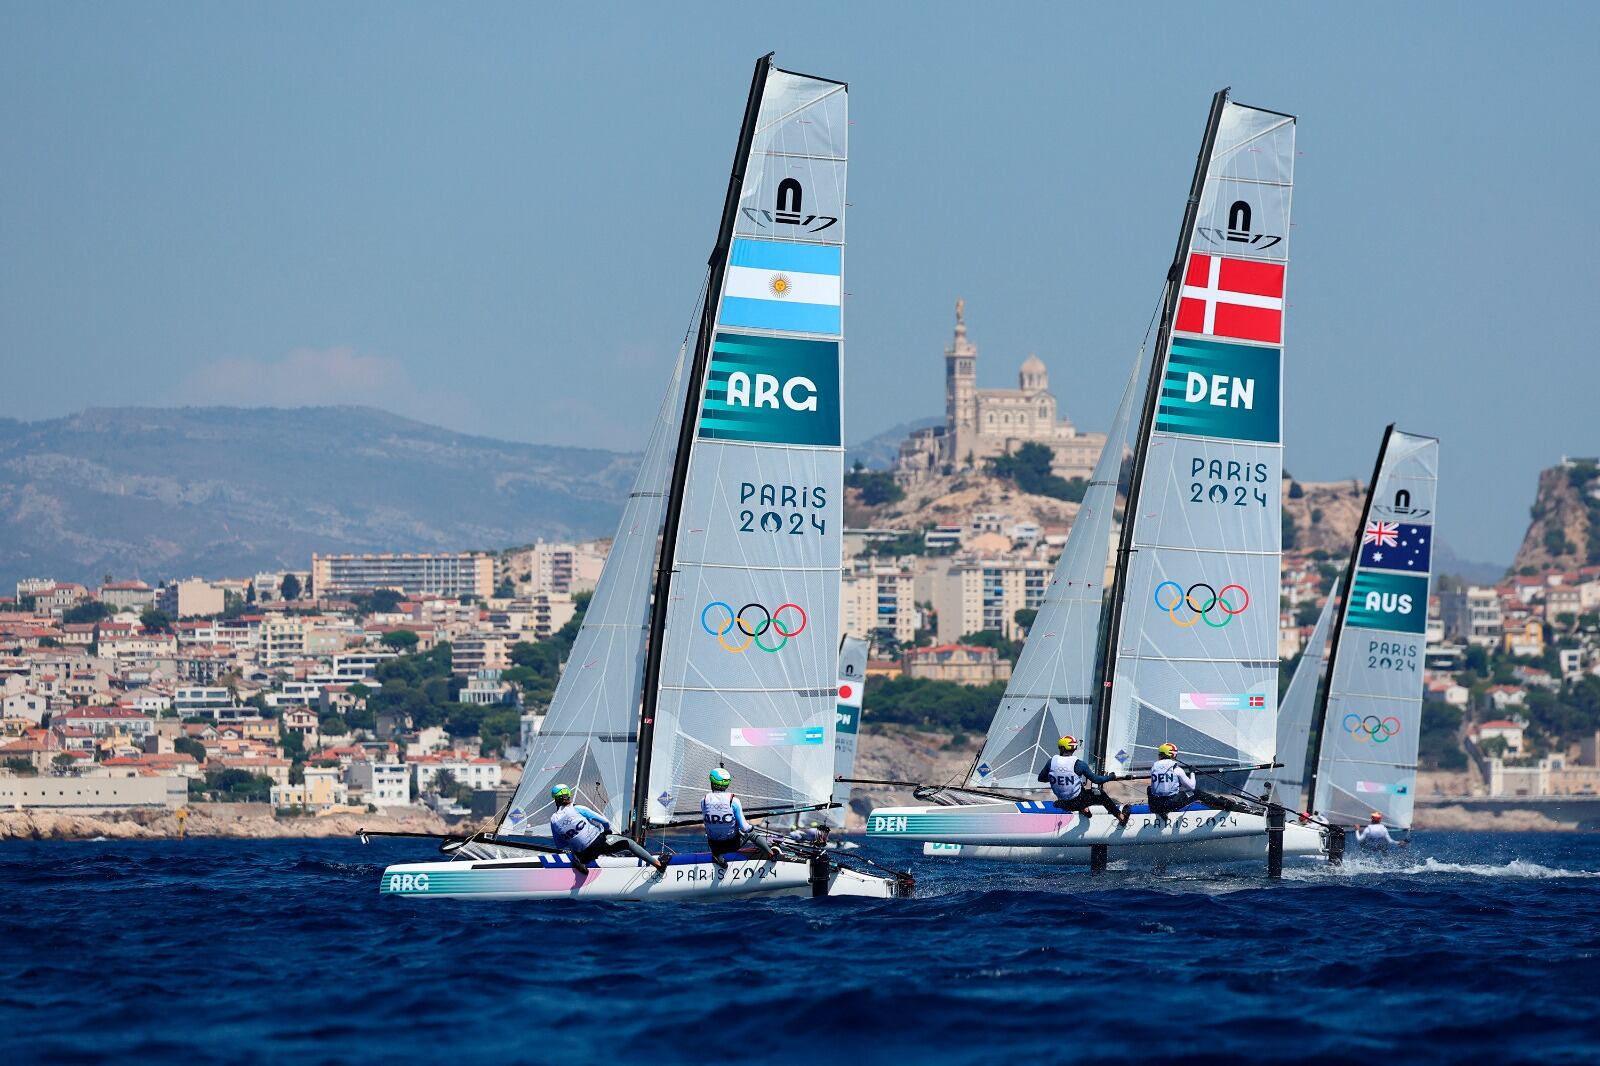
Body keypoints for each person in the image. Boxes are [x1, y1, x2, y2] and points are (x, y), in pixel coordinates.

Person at [548, 783, 667, 876]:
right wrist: (607, 831)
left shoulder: (553, 820)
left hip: (584, 853)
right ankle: (659, 865)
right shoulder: (578, 809)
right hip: (599, 843)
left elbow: (559, 844)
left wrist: (574, 838)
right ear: (568, 795)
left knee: (574, 848)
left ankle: (579, 861)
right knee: (629, 843)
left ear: (555, 799)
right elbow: (605, 822)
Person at [1036, 735, 1130, 826]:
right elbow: (1097, 780)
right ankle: (1121, 817)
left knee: (1077, 784)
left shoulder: (1051, 762)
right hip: (1078, 802)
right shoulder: (1079, 764)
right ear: (1074, 749)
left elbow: (1041, 778)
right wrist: (1111, 777)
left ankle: (1084, 809)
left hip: (1063, 804)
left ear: (1062, 748)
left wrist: (1058, 776)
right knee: (1100, 794)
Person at [702, 767, 777, 869]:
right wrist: (751, 828)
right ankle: (771, 854)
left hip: (714, 846)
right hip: (733, 845)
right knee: (751, 834)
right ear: (727, 784)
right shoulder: (734, 801)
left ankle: (718, 857)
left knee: (713, 838)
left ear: (711, 781)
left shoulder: (704, 800)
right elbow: (745, 827)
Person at [1146, 742, 1198, 819]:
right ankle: (1218, 804)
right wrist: (1192, 772)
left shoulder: (1153, 768)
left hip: (1156, 806)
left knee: (1149, 788)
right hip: (1171, 805)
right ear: (1173, 755)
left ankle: (1161, 812)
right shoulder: (1177, 769)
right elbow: (1192, 787)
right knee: (1197, 793)